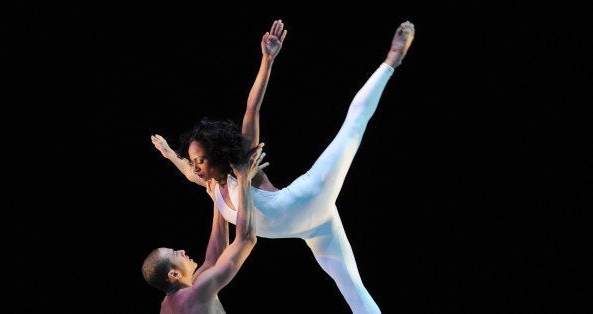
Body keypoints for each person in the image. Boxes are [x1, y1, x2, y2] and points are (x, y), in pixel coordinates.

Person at [151, 19, 415, 314]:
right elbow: (188, 172)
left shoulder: (242, 163)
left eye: (200, 160)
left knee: (351, 129)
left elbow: (252, 109)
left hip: (307, 199)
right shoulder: (213, 187)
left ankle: (391, 61)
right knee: (354, 290)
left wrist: (267, 60)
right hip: (315, 229)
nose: (196, 167)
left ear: (217, 156)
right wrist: (169, 155)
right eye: (194, 161)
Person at [141, 144, 268, 314]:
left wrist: (218, 200)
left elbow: (213, 259)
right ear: (174, 275)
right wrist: (244, 179)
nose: (181, 251)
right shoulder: (199, 292)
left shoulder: (167, 305)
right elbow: (247, 239)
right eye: (175, 254)